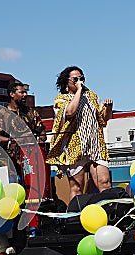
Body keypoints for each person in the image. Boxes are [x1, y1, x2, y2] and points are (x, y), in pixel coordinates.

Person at [46, 66, 113, 201]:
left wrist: (109, 108)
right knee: (77, 187)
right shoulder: (61, 99)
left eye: (81, 78)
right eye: (75, 79)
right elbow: (70, 113)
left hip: (95, 144)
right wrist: (79, 91)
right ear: (67, 82)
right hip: (75, 147)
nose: (79, 81)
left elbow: (103, 118)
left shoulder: (92, 96)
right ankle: (74, 218)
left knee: (104, 182)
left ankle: (109, 213)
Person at [0, 81, 47, 180]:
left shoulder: (31, 113)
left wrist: (39, 139)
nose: (25, 95)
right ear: (12, 94)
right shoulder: (1, 114)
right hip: (10, 161)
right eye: (21, 92)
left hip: (31, 159)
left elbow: (42, 133)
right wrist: (12, 140)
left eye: (25, 92)